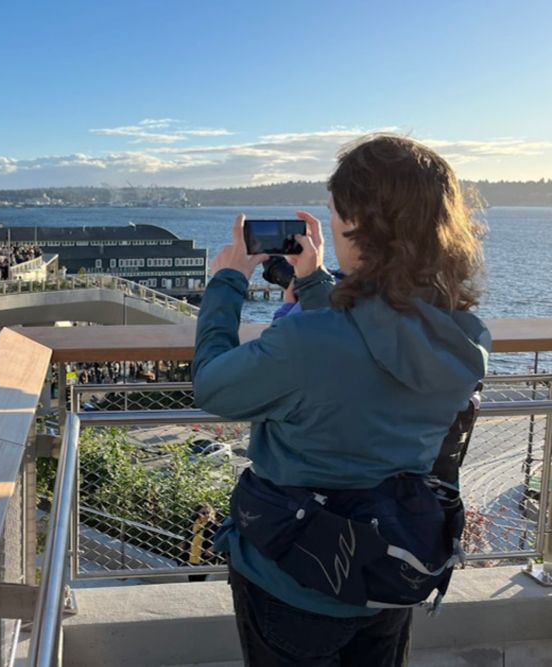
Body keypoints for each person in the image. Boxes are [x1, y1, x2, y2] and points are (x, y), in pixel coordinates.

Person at [193, 135, 489, 665]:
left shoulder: (307, 343)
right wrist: (315, 285)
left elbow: (213, 385)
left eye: (333, 213)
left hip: (297, 578)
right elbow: (378, 339)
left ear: (358, 224)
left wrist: (226, 283)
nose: (329, 224)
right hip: (391, 566)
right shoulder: (461, 337)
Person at [184, 504, 216, 582]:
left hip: (206, 556)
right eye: (203, 513)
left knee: (202, 580)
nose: (207, 515)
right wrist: (184, 544)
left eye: (208, 512)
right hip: (192, 556)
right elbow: (188, 536)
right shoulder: (193, 524)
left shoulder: (215, 526)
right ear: (198, 514)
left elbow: (220, 539)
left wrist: (213, 547)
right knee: (192, 579)